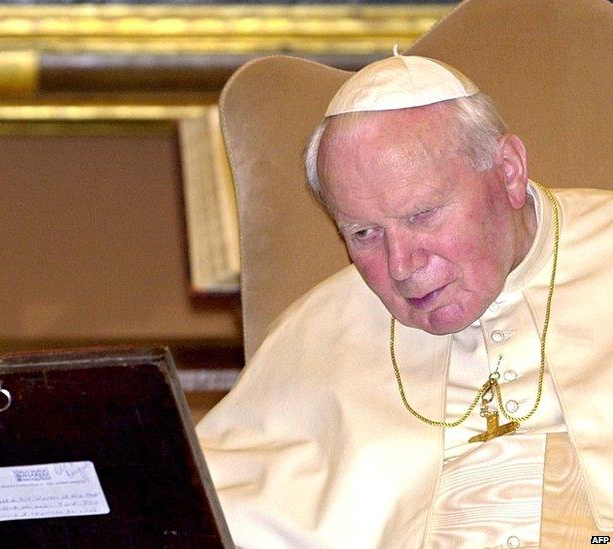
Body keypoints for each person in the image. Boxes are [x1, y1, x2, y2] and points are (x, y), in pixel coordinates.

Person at [197, 53, 613, 547]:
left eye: (423, 215)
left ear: (508, 172)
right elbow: (207, 508)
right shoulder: (316, 335)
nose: (401, 266)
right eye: (365, 233)